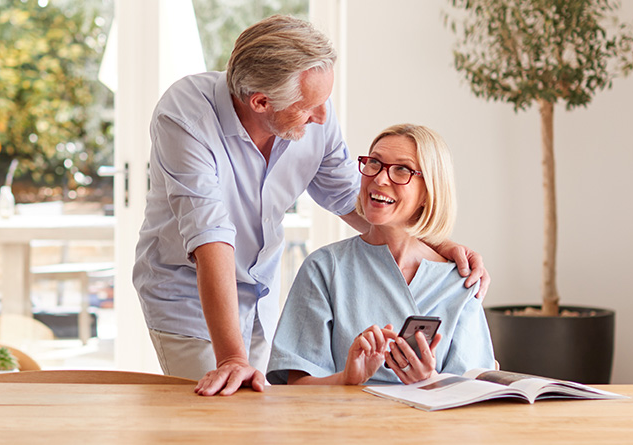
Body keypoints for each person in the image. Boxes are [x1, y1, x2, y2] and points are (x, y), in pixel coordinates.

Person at [132, 15, 490, 397]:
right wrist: (232, 358)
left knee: (258, 415)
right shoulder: (186, 116)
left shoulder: (312, 108)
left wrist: (433, 243)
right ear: (261, 101)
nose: (322, 116)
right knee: (218, 412)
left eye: (324, 101)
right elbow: (210, 236)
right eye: (309, 107)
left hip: (259, 292)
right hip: (190, 298)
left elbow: (352, 197)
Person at [266, 124, 496, 386]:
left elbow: (477, 392)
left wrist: (431, 382)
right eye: (374, 163)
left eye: (402, 169)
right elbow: (296, 386)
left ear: (428, 192)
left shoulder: (460, 282)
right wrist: (347, 379)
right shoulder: (325, 267)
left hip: (432, 427)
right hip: (345, 425)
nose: (380, 178)